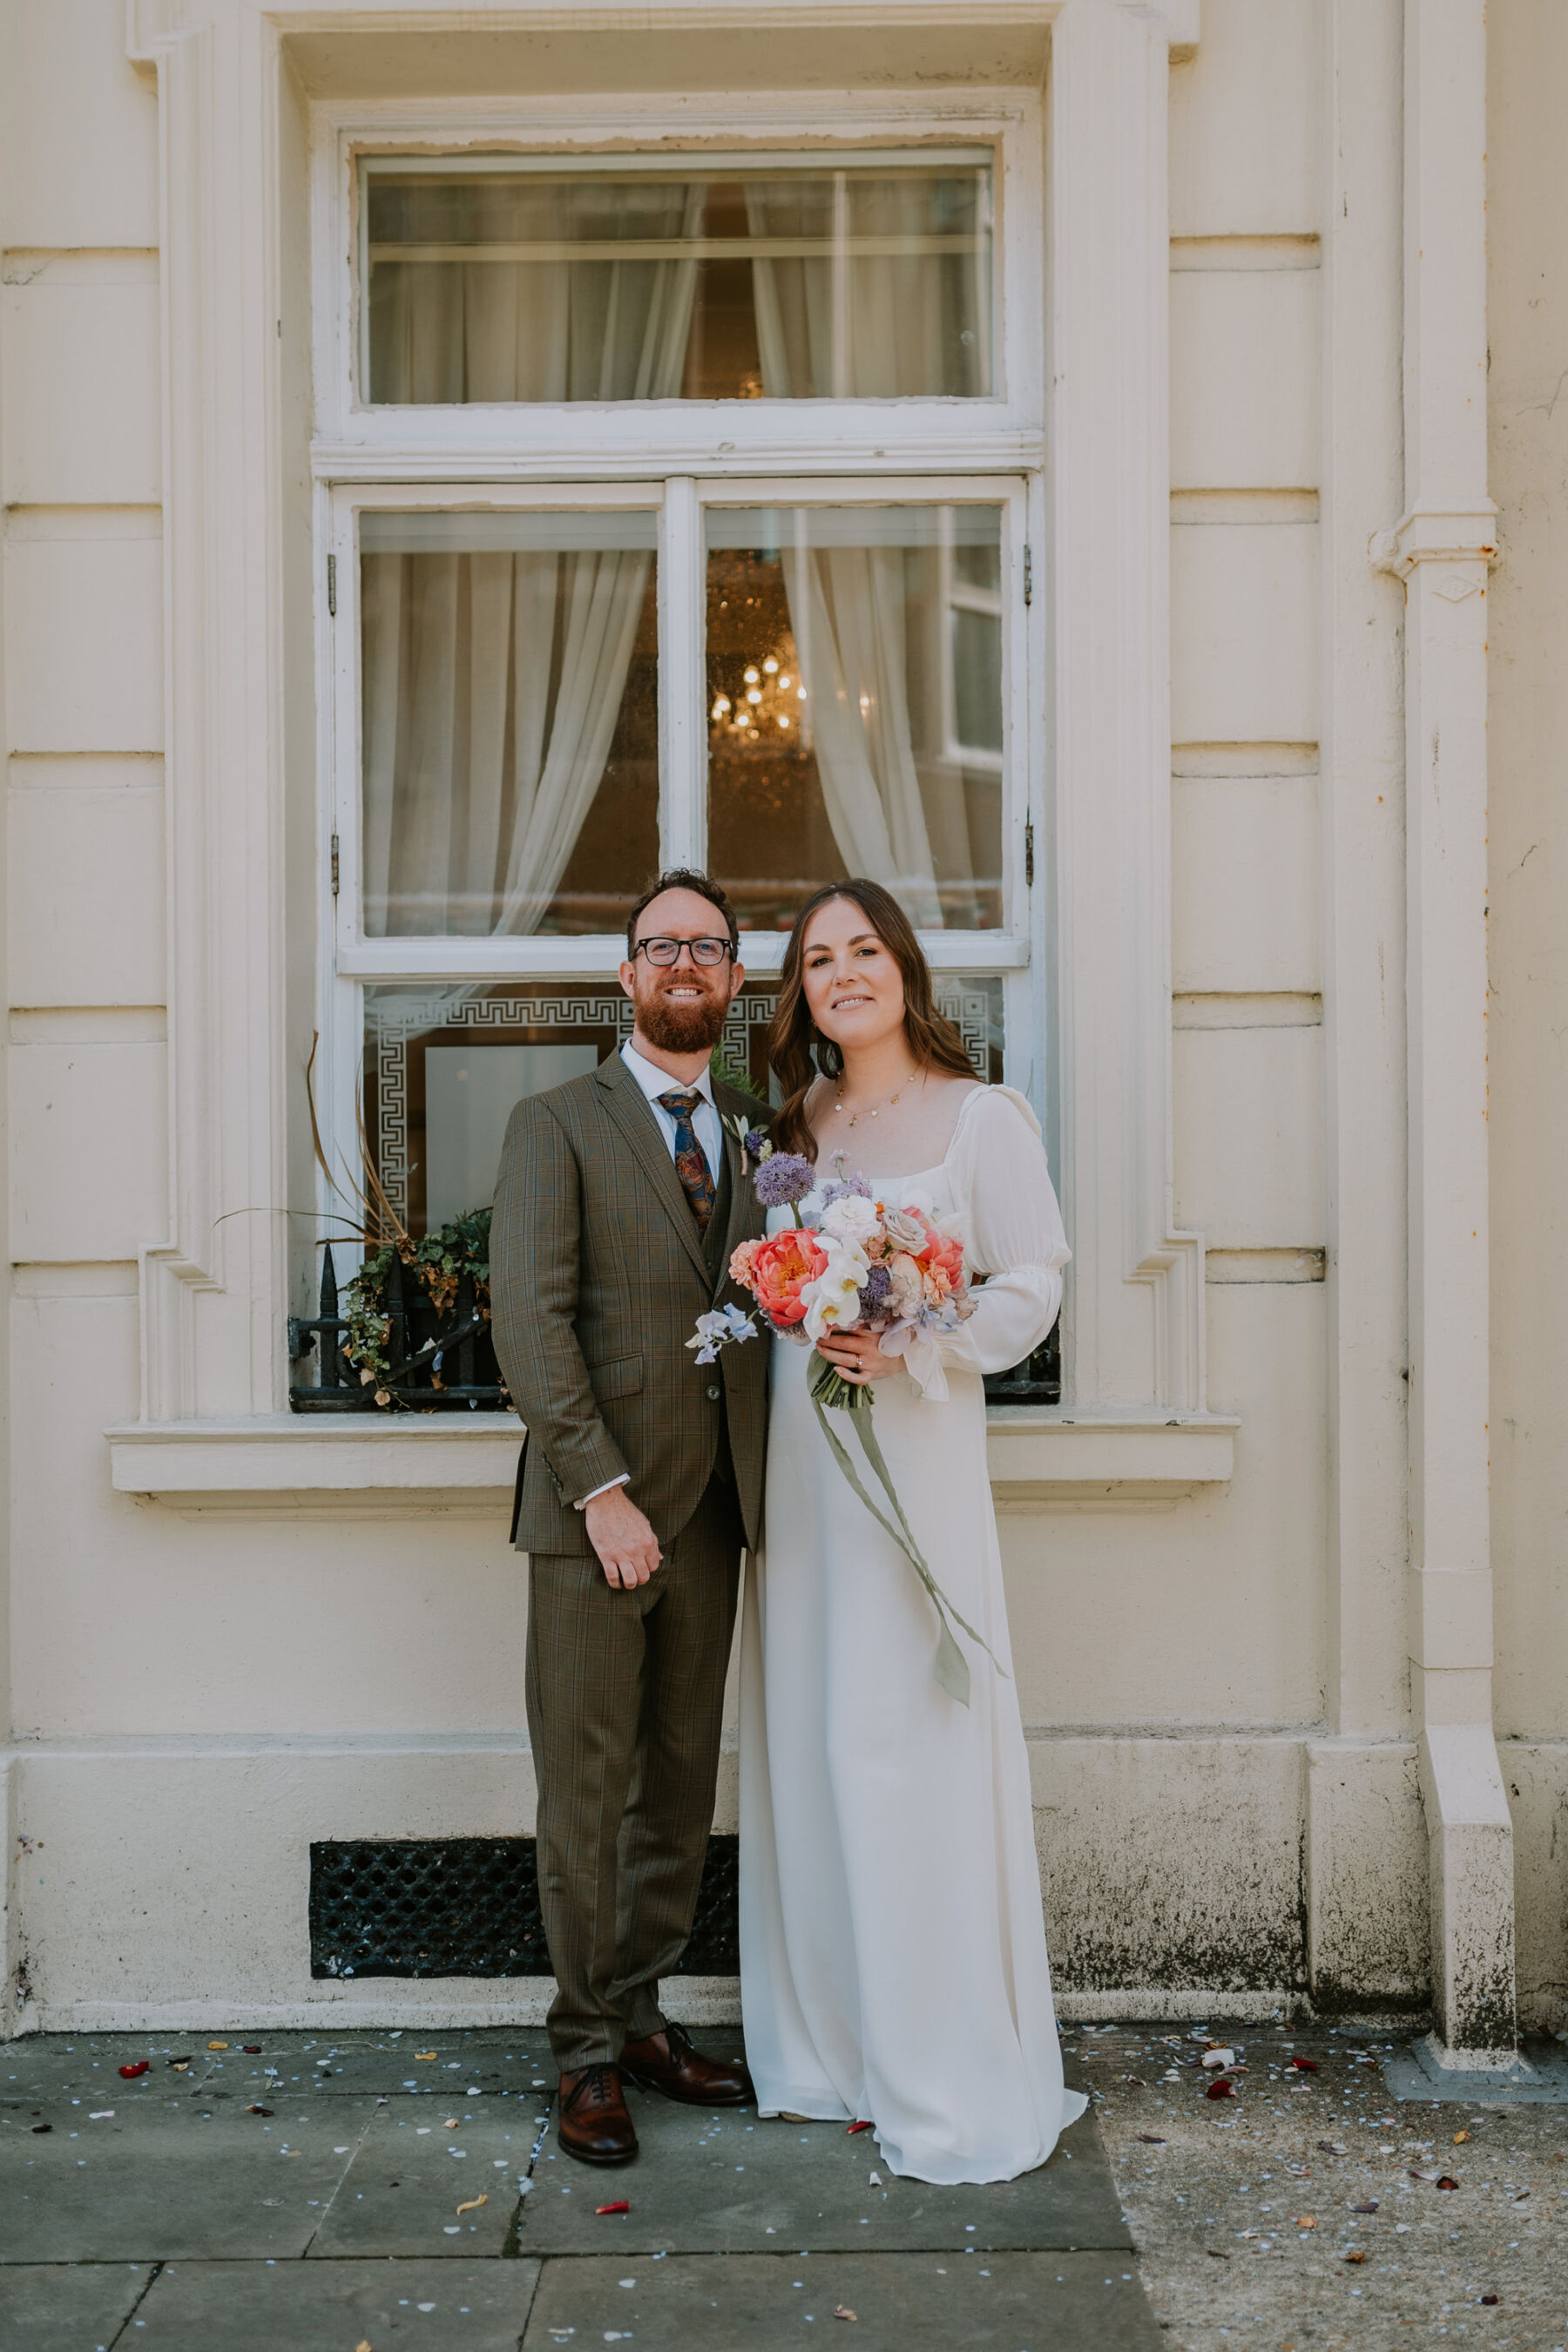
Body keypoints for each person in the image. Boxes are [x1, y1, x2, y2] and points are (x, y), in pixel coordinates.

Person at [738, 877, 1087, 2185]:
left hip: (918, 1461)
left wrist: (921, 1340)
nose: (842, 974)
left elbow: (1033, 1281)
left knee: (908, 1736)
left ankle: (940, 2057)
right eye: (818, 959)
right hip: (811, 1478)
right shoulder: (798, 1127)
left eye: (863, 949)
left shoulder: (982, 1116)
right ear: (802, 992)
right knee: (824, 1731)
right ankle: (838, 2051)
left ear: (904, 967)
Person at [490, 870, 770, 2167]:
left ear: (732, 978)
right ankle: (585, 2053)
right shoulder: (558, 1124)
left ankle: (647, 2017)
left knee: (673, 1787)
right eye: (661, 946)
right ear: (625, 976)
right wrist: (600, 1490)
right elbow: (531, 1326)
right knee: (587, 1794)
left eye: (707, 949)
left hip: (715, 1516)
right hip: (594, 1520)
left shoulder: (758, 1142)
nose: (684, 966)